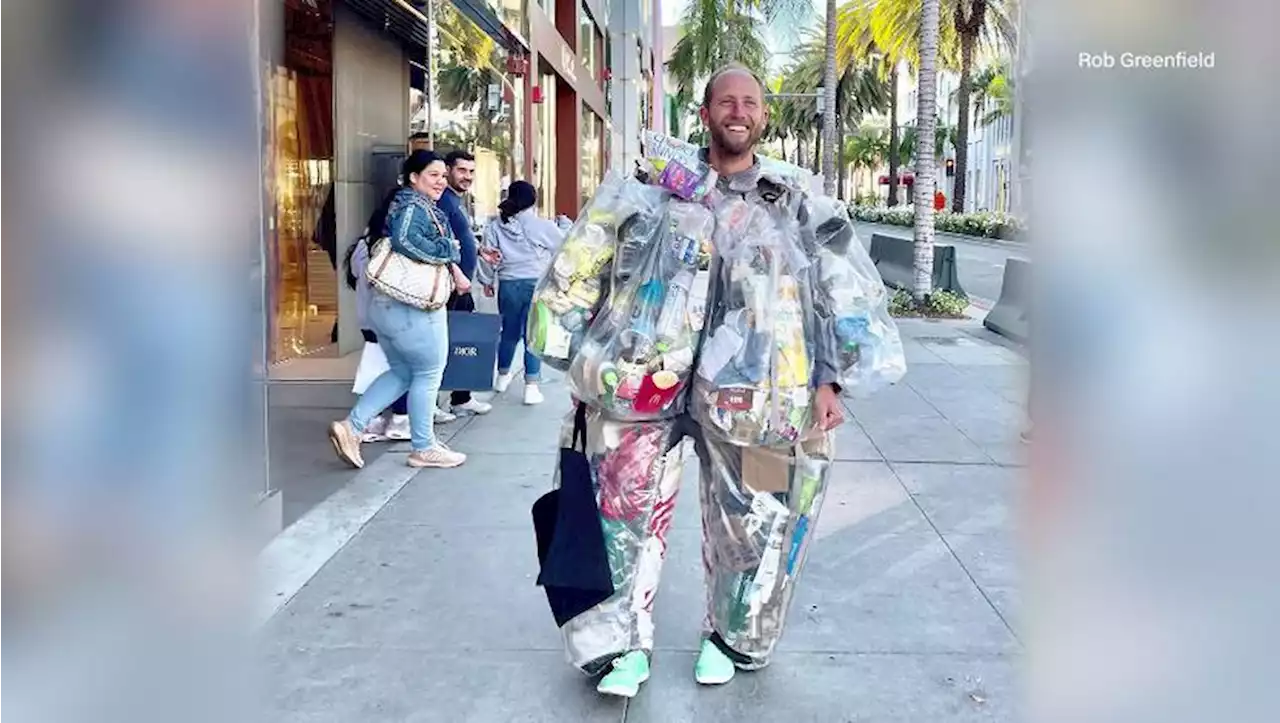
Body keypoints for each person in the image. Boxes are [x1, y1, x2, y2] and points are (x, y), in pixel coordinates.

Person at [551, 65, 848, 698]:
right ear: (705, 112)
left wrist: (830, 381)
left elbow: (835, 292)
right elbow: (587, 258)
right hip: (639, 388)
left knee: (756, 517)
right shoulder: (653, 185)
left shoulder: (792, 194)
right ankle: (622, 646)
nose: (738, 112)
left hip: (760, 401)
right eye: (725, 102)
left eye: (750, 103)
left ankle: (730, 635)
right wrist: (575, 354)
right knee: (622, 513)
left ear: (764, 116)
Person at [328, 150, 468, 470]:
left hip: (390, 307)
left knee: (404, 372)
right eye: (433, 175)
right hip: (412, 307)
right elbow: (406, 241)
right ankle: (424, 446)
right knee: (428, 373)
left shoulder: (404, 205)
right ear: (413, 178)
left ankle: (353, 426)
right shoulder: (412, 207)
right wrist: (448, 247)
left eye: (442, 176)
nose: (440, 182)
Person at [477, 180, 564, 405]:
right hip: (536, 285)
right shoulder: (542, 226)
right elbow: (564, 246)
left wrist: (486, 281)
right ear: (533, 200)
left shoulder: (495, 226)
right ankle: (531, 387)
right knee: (533, 336)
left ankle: (502, 376)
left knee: (509, 333)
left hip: (507, 285)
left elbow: (488, 256)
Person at [437, 149, 493, 417]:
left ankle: (462, 397)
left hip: (461, 286)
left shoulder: (457, 201)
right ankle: (437, 403)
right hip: (449, 287)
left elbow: (460, 237)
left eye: (471, 171)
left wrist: (480, 250)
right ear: (448, 170)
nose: (467, 176)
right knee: (446, 344)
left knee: (463, 342)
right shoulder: (443, 201)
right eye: (461, 170)